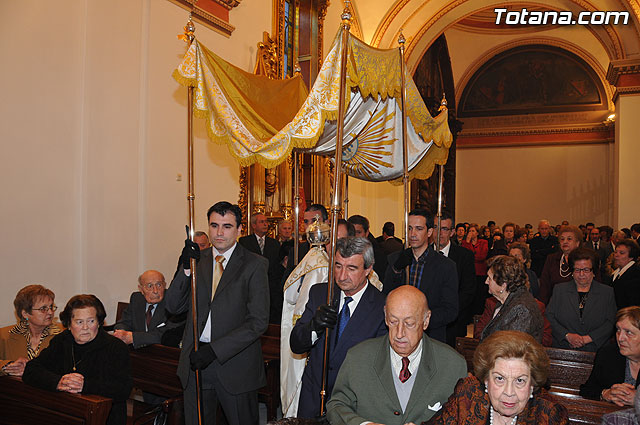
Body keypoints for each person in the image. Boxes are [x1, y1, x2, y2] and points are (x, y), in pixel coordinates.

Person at [166, 201, 269, 425]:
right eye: (214, 225)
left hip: (235, 365)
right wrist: (184, 269)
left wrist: (215, 350)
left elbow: (258, 322)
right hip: (196, 362)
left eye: (227, 226)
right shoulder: (197, 260)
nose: (219, 233)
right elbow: (173, 307)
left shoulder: (254, 265)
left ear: (240, 229)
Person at [326, 285, 467, 425]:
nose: (399, 334)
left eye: (409, 323)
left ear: (426, 320)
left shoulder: (453, 365)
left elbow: (463, 419)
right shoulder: (358, 358)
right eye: (393, 322)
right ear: (386, 317)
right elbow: (336, 406)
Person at [289, 236, 386, 418]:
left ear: (368, 269)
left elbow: (378, 366)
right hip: (313, 397)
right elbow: (296, 344)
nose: (342, 276)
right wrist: (314, 326)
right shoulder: (320, 293)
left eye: (351, 268)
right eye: (338, 266)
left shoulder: (382, 306)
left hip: (353, 403)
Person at [23, 294, 132, 425]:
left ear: (99, 323)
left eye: (91, 321)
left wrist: (84, 385)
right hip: (65, 414)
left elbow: (123, 389)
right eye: (79, 322)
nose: (85, 327)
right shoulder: (62, 341)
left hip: (105, 418)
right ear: (69, 324)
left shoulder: (115, 347)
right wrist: (58, 381)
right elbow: (31, 369)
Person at [426, 330, 569, 425]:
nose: (509, 392)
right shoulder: (467, 396)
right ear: (486, 380)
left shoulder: (550, 415)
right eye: (500, 378)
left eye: (520, 381)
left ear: (532, 384)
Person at [384, 209, 459, 343]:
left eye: (419, 229)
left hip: (430, 336)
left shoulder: (445, 266)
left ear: (429, 232)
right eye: (410, 228)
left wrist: (420, 322)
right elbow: (386, 297)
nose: (413, 234)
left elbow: (450, 310)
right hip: (397, 335)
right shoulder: (395, 260)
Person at [546, 247, 616, 351]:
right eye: (577, 270)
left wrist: (587, 339)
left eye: (586, 270)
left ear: (594, 271)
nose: (581, 274)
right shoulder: (559, 290)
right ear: (572, 271)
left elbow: (611, 321)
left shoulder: (607, 292)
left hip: (596, 349)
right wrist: (567, 335)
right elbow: (549, 316)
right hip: (564, 348)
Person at [580, 307, 640, 405]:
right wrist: (604, 394)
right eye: (618, 330)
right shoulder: (608, 355)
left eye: (628, 332)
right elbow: (587, 390)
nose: (620, 338)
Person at [432, 214, 476, 347]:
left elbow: (468, 290)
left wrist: (448, 312)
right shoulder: (423, 254)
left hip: (454, 323)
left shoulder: (464, 256)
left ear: (452, 232)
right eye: (435, 227)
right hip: (427, 323)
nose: (439, 233)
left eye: (444, 229)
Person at [479, 256, 544, 343]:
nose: (486, 282)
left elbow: (510, 348)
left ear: (503, 285)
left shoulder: (521, 309)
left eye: (489, 278)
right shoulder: (507, 301)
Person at [1, 285, 62, 377]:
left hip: (49, 390)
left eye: (51, 307)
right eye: (43, 309)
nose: (50, 312)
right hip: (15, 389)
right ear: (25, 314)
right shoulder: (4, 336)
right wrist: (7, 366)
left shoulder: (64, 334)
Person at [113, 270, 183, 348]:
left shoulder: (173, 302)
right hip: (138, 352)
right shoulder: (136, 299)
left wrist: (134, 338)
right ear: (141, 289)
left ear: (165, 285)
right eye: (149, 286)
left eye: (159, 285)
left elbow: (168, 333)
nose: (155, 291)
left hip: (162, 353)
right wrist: (121, 333)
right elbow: (124, 322)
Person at [239, 212, 282, 324]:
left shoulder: (275, 243)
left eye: (266, 222)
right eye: (261, 222)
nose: (265, 224)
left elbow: (276, 265)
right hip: (252, 285)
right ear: (254, 225)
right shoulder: (244, 242)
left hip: (271, 286)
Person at [539, 225, 583, 304]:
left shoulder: (585, 260)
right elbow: (545, 286)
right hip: (556, 304)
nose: (565, 242)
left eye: (569, 239)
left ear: (577, 243)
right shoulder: (551, 259)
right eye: (562, 239)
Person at [348, 214, 388, 279]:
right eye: (352, 232)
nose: (355, 236)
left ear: (367, 233)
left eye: (358, 232)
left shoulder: (377, 254)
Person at [461, 223, 489, 316]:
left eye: (473, 231)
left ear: (477, 233)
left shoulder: (483, 242)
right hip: (469, 272)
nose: (471, 233)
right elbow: (465, 257)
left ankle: (478, 315)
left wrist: (472, 256)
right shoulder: (465, 243)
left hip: (480, 272)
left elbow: (482, 256)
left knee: (479, 295)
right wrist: (468, 242)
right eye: (469, 231)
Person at [612, 239, 640, 309]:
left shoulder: (635, 276)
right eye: (615, 252)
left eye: (621, 253)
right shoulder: (616, 274)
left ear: (631, 257)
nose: (616, 255)